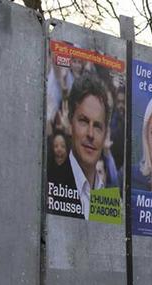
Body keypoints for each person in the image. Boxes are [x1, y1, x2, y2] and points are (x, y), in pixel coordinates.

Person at [47, 74, 112, 219]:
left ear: (105, 133)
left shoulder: (109, 197)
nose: (90, 134)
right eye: (83, 121)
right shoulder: (51, 184)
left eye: (97, 126)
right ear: (70, 124)